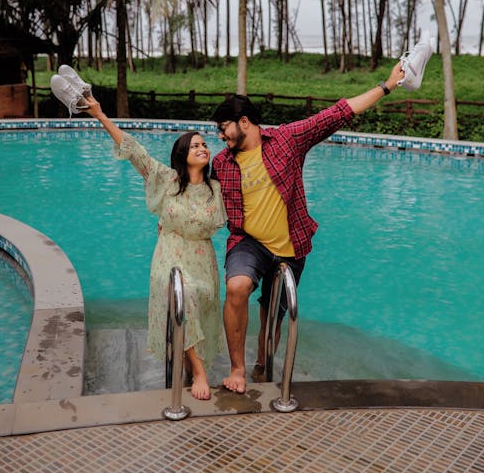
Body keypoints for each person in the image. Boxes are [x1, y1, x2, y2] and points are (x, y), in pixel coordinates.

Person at [211, 63, 406, 393]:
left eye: (223, 127)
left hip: (291, 248)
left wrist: (386, 86)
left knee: (272, 318)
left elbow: (336, 114)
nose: (220, 134)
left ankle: (262, 367)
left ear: (244, 122)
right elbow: (195, 187)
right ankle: (237, 369)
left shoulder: (287, 140)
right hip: (249, 242)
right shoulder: (221, 162)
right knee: (237, 287)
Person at [85, 96, 226, 400]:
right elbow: (135, 152)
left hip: (202, 258)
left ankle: (190, 359)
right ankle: (200, 372)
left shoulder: (216, 188)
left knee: (199, 300)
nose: (202, 148)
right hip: (170, 256)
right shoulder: (168, 179)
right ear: (182, 155)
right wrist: (100, 114)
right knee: (184, 293)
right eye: (195, 146)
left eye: (204, 144)